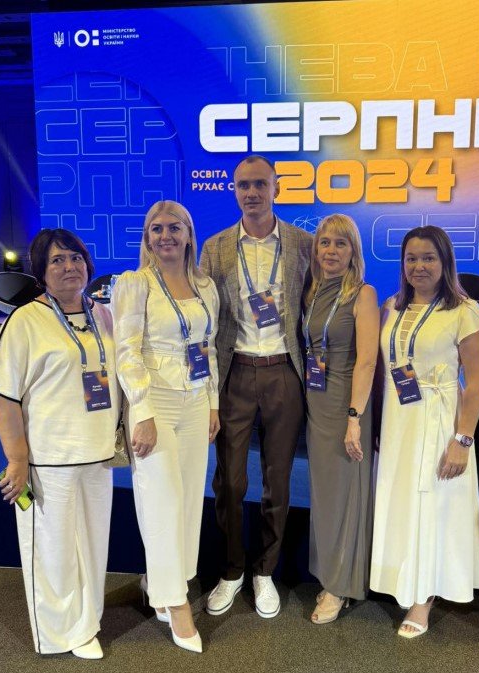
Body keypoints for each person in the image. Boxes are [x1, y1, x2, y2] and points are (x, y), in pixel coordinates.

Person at [0, 229, 119, 659]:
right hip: (49, 459)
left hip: (99, 455)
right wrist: (17, 459)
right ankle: (61, 634)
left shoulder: (104, 314)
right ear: (41, 270)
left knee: (93, 547)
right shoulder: (26, 320)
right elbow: (3, 395)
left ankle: (87, 623)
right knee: (53, 552)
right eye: (57, 260)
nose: (69, 267)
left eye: (75, 258)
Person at [200, 155, 313, 619]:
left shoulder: (304, 243)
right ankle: (232, 571)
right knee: (229, 481)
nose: (251, 193)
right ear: (234, 190)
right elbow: (203, 315)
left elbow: (325, 301)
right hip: (235, 373)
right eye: (243, 185)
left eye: (260, 184)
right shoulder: (215, 247)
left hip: (285, 371)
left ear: (276, 188)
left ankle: (265, 571)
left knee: (277, 479)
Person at [112, 200, 219, 654]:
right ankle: (176, 604)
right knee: (161, 502)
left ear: (189, 234)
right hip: (154, 402)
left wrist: (213, 402)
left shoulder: (205, 285)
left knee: (189, 501)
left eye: (175, 227)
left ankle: (164, 583)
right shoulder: (134, 283)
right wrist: (142, 411)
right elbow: (126, 352)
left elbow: (209, 347)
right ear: (147, 237)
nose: (166, 236)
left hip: (196, 402)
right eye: (156, 229)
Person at [370, 225, 479, 638]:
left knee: (433, 503)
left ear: (445, 262)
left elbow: (476, 383)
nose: (418, 266)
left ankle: (424, 597)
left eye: (428, 258)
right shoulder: (392, 307)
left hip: (439, 422)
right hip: (398, 421)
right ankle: (405, 577)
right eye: (411, 258)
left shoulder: (464, 311)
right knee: (403, 500)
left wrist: (462, 440)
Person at [303, 214, 379, 624]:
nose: (330, 251)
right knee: (325, 495)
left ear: (354, 251)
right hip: (317, 405)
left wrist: (354, 418)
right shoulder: (313, 291)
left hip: (347, 407)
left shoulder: (363, 294)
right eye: (325, 243)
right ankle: (331, 574)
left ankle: (340, 586)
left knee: (347, 494)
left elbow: (366, 361)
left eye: (340, 243)